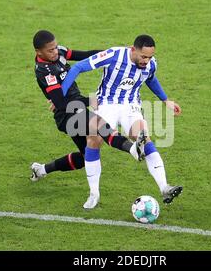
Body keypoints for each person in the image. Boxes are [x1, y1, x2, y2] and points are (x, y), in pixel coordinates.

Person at [61, 34, 183, 205]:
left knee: (143, 137)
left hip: (131, 107)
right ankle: (94, 193)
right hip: (106, 105)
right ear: (133, 50)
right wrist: (60, 96)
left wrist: (166, 100)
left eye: (150, 57)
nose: (146, 61)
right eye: (143, 56)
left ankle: (164, 187)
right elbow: (78, 67)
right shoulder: (114, 55)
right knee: (94, 139)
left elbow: (151, 79)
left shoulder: (151, 64)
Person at [30, 30, 146, 208]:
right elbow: (60, 102)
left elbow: (84, 55)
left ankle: (41, 169)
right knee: (100, 126)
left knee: (86, 157)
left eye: (55, 47)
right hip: (66, 114)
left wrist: (112, 53)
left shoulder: (59, 52)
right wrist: (88, 100)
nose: (55, 52)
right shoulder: (44, 72)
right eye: (50, 50)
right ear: (39, 52)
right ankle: (133, 149)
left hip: (76, 108)